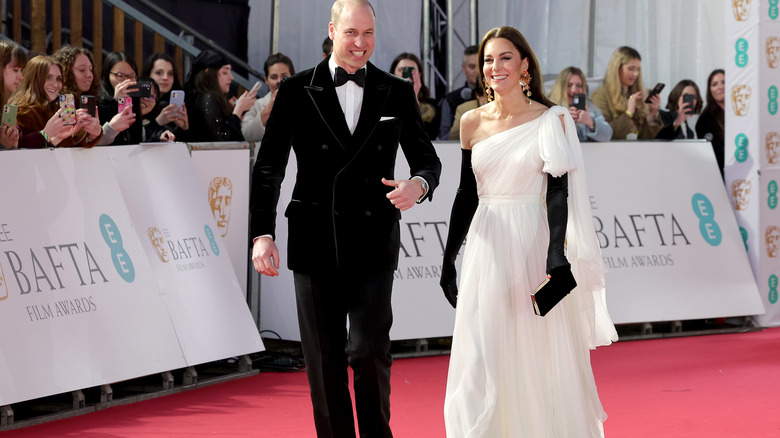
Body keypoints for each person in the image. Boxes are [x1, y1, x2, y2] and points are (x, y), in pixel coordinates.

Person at [249, 1, 441, 436]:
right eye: (352, 32)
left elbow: (428, 160)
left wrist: (418, 185)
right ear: (332, 30)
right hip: (314, 238)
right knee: (324, 359)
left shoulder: (395, 89)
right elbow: (270, 167)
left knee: (369, 351)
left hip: (373, 238)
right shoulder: (296, 89)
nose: (360, 43)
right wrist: (262, 232)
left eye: (368, 33)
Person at [439, 26, 617, 437]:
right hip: (486, 245)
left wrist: (556, 253)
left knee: (535, 346)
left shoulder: (550, 119)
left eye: (505, 57)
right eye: (488, 59)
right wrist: (448, 258)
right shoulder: (470, 122)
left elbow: (558, 192)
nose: (495, 66)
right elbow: (466, 193)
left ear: (524, 65)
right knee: (483, 348)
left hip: (531, 243)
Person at [11, 55, 102, 148]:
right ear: (33, 79)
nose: (55, 85)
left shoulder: (60, 108)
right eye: (48, 77)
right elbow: (21, 149)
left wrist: (91, 134)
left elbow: (71, 146)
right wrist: (46, 134)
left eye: (58, 79)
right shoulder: (22, 111)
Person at [53, 46, 135, 146]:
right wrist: (109, 129)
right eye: (82, 70)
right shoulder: (57, 104)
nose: (89, 75)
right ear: (65, 73)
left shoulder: (96, 102)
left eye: (90, 69)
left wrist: (96, 134)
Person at [591, 46, 662, 140]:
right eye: (631, 68)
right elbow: (604, 133)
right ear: (617, 68)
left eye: (638, 69)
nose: (635, 74)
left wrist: (653, 113)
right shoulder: (600, 96)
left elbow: (647, 137)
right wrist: (628, 113)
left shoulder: (638, 95)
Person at [183, 50, 255, 142]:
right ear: (208, 73)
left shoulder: (213, 98)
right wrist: (238, 111)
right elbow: (222, 138)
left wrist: (237, 117)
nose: (231, 77)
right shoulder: (207, 98)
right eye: (225, 72)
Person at [548, 66, 613, 142]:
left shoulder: (589, 107)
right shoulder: (549, 107)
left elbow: (608, 135)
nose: (574, 90)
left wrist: (592, 123)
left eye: (579, 86)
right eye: (569, 85)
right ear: (560, 87)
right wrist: (564, 122)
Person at [241, 53, 295, 143]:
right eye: (274, 77)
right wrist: (265, 113)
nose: (279, 81)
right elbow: (246, 134)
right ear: (266, 80)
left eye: (284, 77)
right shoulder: (255, 106)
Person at [96, 51, 143, 145]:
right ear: (107, 75)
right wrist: (115, 102)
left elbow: (136, 137)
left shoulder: (133, 97)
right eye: (120, 76)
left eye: (131, 76)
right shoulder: (99, 100)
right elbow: (99, 139)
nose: (127, 81)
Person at [389, 52, 439, 140]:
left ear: (419, 74)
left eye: (411, 71)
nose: (405, 75)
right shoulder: (381, 103)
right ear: (393, 73)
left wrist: (413, 98)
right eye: (401, 70)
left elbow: (430, 136)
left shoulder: (431, 106)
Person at [141, 53, 189, 138]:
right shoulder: (139, 101)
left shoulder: (177, 105)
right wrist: (158, 122)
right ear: (148, 75)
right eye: (159, 73)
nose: (165, 78)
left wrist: (184, 128)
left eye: (170, 73)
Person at [438, 45, 479, 139]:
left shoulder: (497, 96)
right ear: (463, 68)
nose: (477, 71)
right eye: (472, 67)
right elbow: (442, 139)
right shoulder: (450, 100)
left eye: (480, 65)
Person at [695, 69, 725, 178]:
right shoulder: (705, 120)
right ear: (710, 90)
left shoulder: (740, 113)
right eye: (715, 84)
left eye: (724, 82)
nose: (720, 87)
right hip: (719, 177)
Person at [0, 40, 27, 150]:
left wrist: (12, 145)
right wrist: (3, 147)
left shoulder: (6, 105)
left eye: (21, 70)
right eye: (15, 70)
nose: (21, 77)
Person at [138, 77, 176, 142]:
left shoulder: (160, 126)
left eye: (151, 96)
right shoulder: (123, 121)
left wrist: (184, 128)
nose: (145, 99)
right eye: (142, 94)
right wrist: (156, 123)